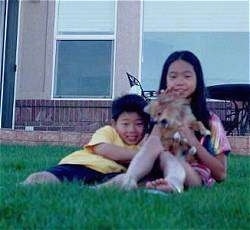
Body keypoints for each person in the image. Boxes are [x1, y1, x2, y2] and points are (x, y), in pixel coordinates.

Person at [100, 50, 231, 193]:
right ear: (166, 80)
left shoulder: (211, 121)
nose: (179, 82)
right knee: (161, 149)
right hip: (160, 167)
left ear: (197, 79)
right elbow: (149, 148)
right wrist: (163, 116)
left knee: (173, 155)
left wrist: (191, 138)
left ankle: (172, 184)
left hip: (194, 175)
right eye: (173, 76)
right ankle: (129, 179)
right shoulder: (160, 112)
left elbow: (221, 174)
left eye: (187, 76)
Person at [21, 94, 150, 185]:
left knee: (124, 181)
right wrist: (144, 155)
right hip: (81, 165)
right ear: (114, 123)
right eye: (125, 124)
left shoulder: (145, 142)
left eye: (139, 124)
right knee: (44, 178)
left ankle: (95, 190)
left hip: (111, 174)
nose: (132, 130)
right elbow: (103, 149)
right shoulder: (109, 131)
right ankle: (24, 186)